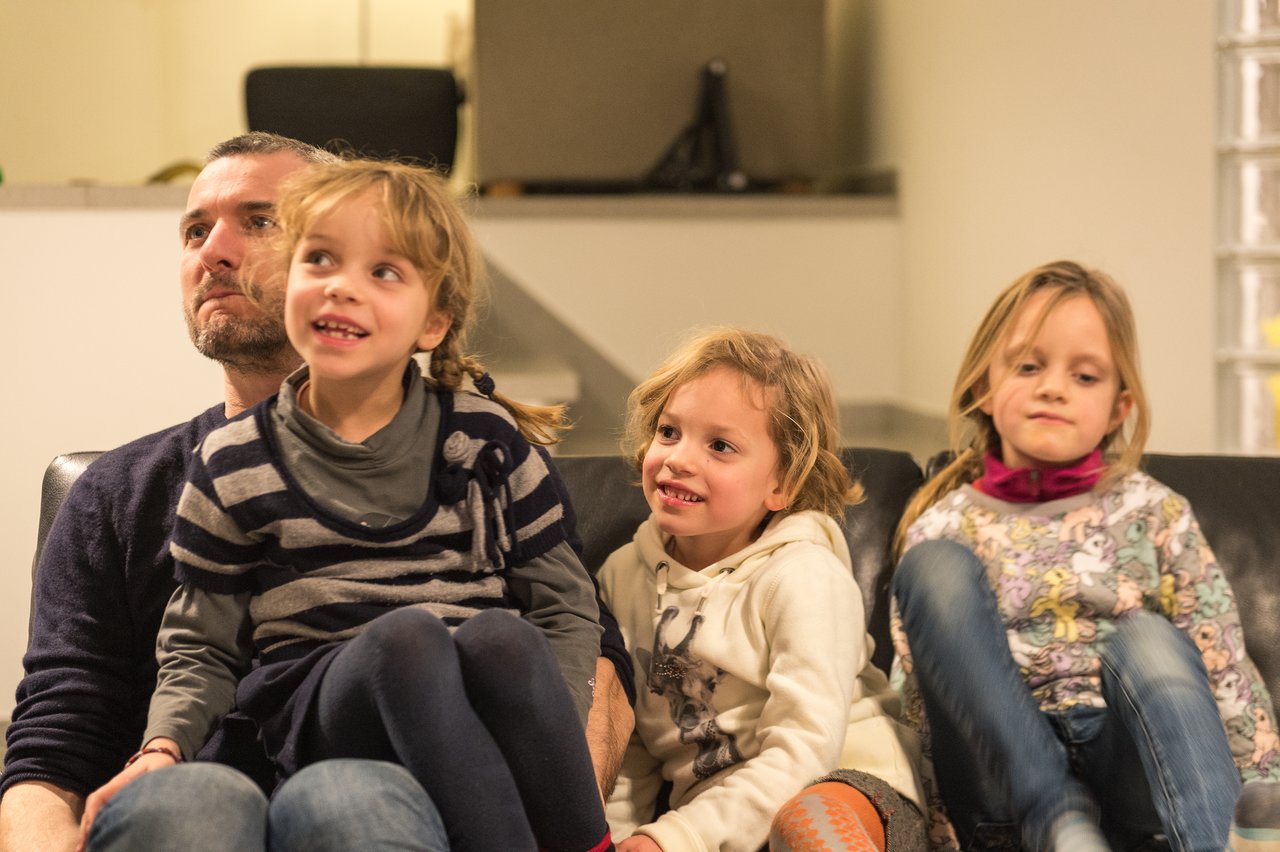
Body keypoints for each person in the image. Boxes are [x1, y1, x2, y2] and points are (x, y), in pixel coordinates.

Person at [2, 133, 632, 852]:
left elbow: (579, 653)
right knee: (196, 806)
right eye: (196, 229)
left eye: (259, 221)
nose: (215, 251)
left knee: (359, 792)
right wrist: (161, 751)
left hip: (426, 779)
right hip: (233, 752)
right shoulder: (139, 488)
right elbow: (59, 732)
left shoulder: (485, 445)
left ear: (433, 317)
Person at [889, 260, 1280, 852]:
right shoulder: (943, 524)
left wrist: (1264, 788)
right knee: (933, 569)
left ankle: (1218, 844)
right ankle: (1057, 817)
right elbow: (919, 691)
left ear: (1119, 409)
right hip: (1003, 787)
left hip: (1131, 771)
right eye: (1028, 366)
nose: (1053, 387)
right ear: (983, 389)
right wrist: (925, 832)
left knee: (1149, 639)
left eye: (1086, 377)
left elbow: (1222, 661)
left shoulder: (1156, 512)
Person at [598, 328, 927, 852]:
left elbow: (805, 751)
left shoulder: (805, 575)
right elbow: (631, 747)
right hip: (720, 825)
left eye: (720, 446)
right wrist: (619, 839)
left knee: (807, 825)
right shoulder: (621, 574)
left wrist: (676, 837)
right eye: (668, 431)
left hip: (848, 784)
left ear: (783, 484)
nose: (679, 458)